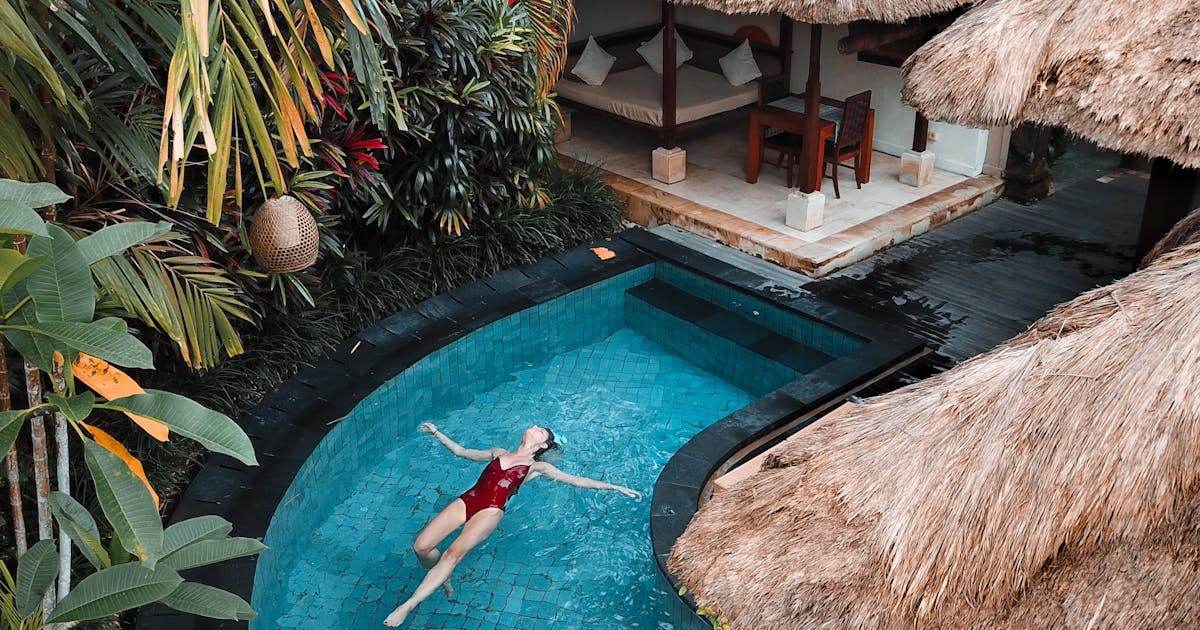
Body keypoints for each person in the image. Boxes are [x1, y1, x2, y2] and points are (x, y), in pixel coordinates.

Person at [383, 422, 642, 627]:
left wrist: (615, 487)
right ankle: (442, 576)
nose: (534, 426)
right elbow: (462, 452)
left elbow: (577, 480)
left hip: (490, 511)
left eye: (540, 430)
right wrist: (437, 433)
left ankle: (408, 605)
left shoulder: (537, 467)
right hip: (468, 499)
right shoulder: (498, 453)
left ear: (543, 444)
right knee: (421, 547)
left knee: (451, 555)